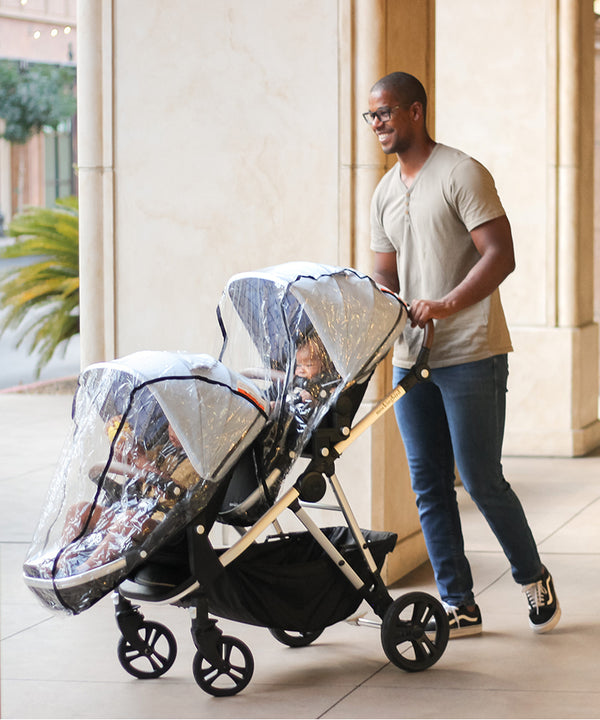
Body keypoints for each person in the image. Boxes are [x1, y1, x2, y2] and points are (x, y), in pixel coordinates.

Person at [365, 71, 560, 637]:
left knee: (479, 477)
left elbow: (500, 254)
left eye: (386, 113)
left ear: (416, 112)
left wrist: (446, 303)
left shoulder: (460, 173)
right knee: (427, 483)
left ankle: (532, 576)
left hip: (471, 352)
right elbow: (384, 275)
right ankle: (459, 603)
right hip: (411, 358)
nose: (377, 124)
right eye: (371, 116)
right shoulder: (382, 192)